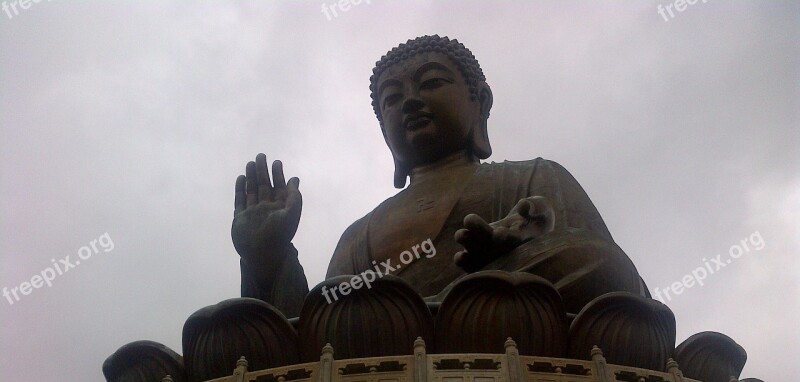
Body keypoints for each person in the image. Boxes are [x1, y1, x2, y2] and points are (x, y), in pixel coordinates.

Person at [230, 35, 649, 318]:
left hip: (505, 321)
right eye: (392, 99)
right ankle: (443, 311)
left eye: (430, 83)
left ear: (479, 101)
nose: (410, 102)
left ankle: (456, 304)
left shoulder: (533, 175)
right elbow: (314, 325)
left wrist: (509, 251)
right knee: (333, 314)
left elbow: (609, 275)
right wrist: (266, 258)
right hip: (390, 337)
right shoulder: (360, 233)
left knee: (600, 263)